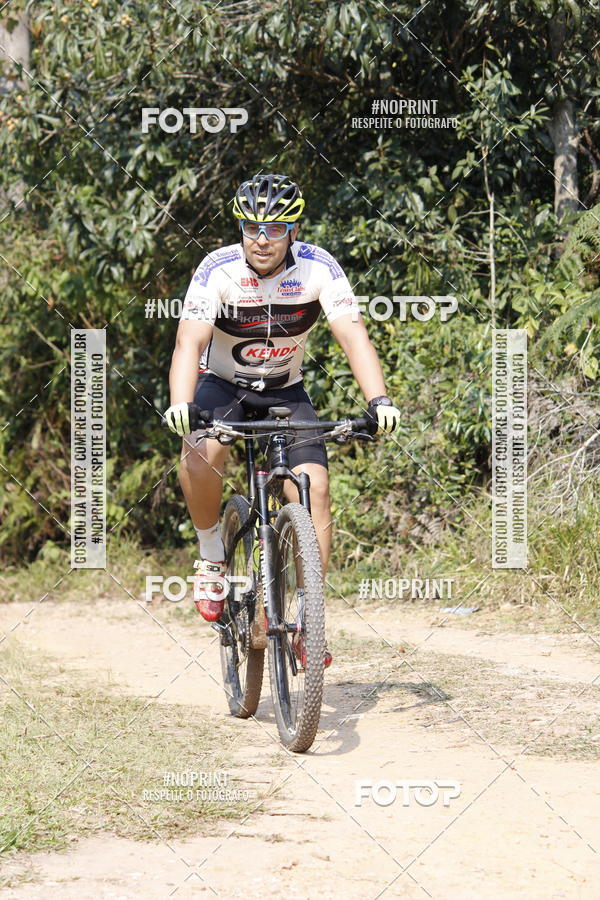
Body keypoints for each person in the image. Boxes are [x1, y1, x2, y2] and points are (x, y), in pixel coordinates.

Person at [165, 173, 400, 668]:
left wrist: (379, 401)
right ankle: (211, 555)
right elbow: (189, 342)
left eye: (275, 228)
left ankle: (310, 619)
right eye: (251, 228)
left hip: (284, 391)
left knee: (313, 488)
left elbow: (352, 334)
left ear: (294, 230)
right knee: (203, 449)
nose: (262, 239)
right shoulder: (217, 269)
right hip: (223, 385)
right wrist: (182, 403)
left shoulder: (318, 268)